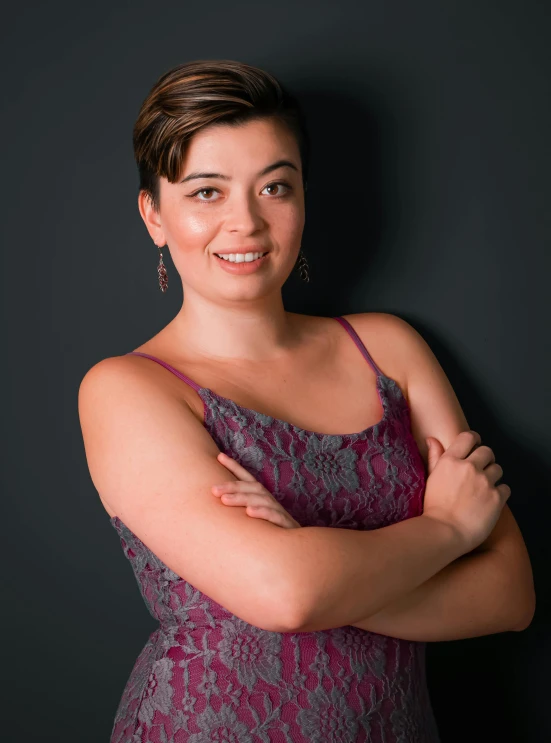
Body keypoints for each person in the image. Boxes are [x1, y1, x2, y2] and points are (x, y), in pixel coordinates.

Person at [78, 59, 532, 743]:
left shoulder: (387, 349)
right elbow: (288, 597)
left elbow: (508, 596)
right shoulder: (126, 388)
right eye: (206, 192)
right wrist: (447, 533)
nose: (246, 222)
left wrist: (314, 560)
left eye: (275, 187)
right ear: (154, 215)